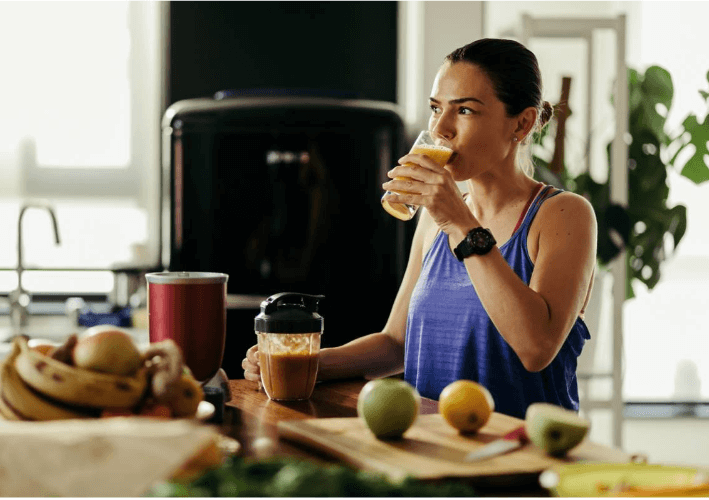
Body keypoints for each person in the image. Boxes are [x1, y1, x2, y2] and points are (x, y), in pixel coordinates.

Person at [242, 38, 597, 419]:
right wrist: (299, 362)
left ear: (522, 123)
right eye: (435, 108)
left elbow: (536, 348)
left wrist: (460, 224)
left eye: (464, 110)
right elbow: (396, 343)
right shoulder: (434, 218)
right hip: (434, 449)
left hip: (521, 455)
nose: (441, 128)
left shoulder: (563, 215)